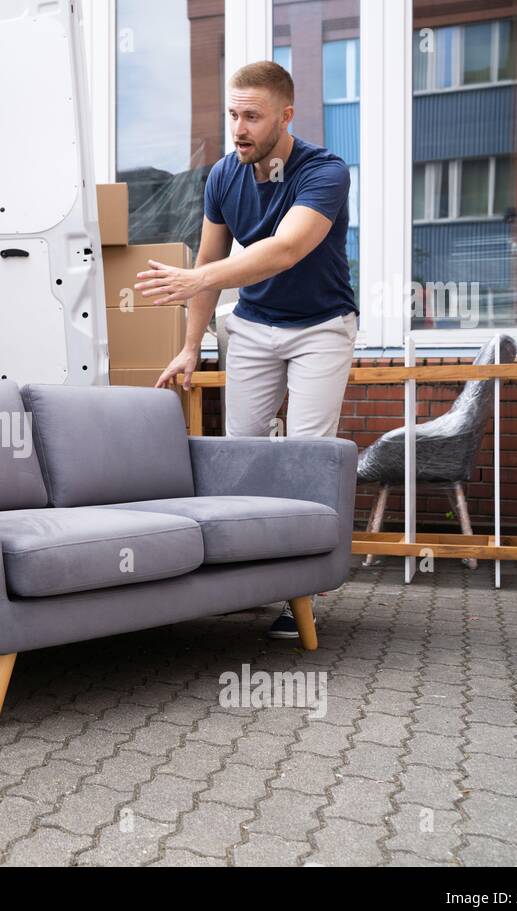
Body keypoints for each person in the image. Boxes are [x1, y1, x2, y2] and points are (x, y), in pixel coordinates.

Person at [138, 60, 357, 641]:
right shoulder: (221, 178)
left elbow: (285, 250)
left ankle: (301, 595)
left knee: (309, 455)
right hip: (254, 326)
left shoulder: (325, 171)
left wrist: (197, 279)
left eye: (252, 117)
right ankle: (248, 581)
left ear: (286, 116)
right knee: (244, 457)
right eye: (233, 114)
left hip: (321, 326)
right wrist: (191, 347)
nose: (239, 127)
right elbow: (208, 267)